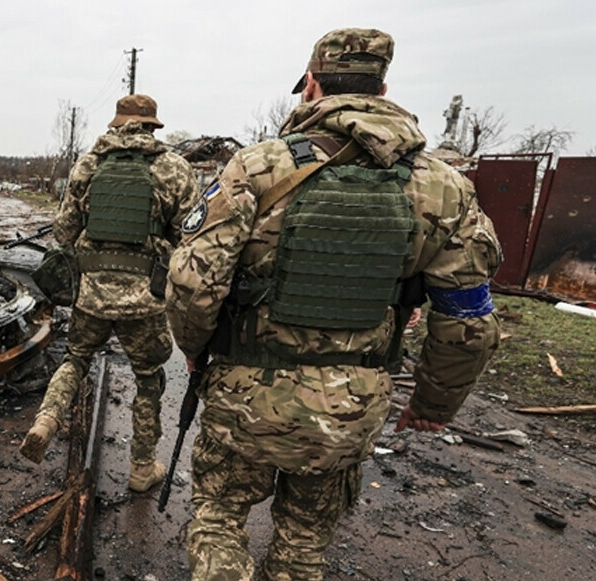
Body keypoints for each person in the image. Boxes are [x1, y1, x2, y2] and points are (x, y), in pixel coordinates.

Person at [165, 28, 502, 580]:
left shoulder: (258, 167)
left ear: (312, 86)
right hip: (351, 408)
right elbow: (467, 319)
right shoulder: (444, 186)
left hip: (243, 400)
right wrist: (433, 405)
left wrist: (196, 351)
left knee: (219, 519)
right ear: (383, 87)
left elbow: (192, 283)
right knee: (302, 545)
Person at [20, 94, 199, 493]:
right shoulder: (173, 168)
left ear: (116, 125)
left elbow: (63, 232)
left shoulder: (88, 164)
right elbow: (191, 236)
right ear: (153, 126)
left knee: (76, 359)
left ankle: (46, 419)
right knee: (149, 378)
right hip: (145, 301)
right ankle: (140, 467)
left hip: (91, 296)